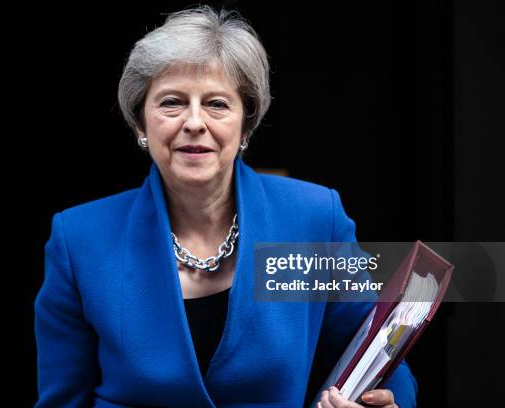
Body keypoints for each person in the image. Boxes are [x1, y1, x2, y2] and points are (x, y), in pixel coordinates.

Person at [34, 6, 417, 408]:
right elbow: (63, 398)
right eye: (172, 103)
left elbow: (378, 355)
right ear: (139, 124)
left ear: (245, 124)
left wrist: (385, 403)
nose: (194, 122)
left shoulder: (313, 218)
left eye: (216, 103)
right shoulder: (79, 238)